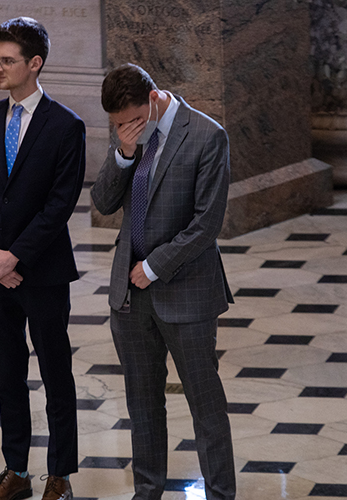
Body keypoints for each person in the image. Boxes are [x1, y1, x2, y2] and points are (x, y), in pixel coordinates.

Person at [91, 64, 236, 500]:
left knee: (205, 407)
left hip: (185, 294)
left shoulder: (207, 136)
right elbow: (102, 202)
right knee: (143, 406)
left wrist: (153, 266)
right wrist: (122, 153)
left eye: (128, 119)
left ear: (153, 101)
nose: (123, 128)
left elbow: (206, 224)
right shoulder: (127, 135)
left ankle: (220, 494)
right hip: (130, 298)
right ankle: (146, 492)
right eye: (116, 124)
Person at [0, 17, 85, 500]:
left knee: (56, 373)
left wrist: (17, 257)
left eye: (6, 60)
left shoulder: (65, 125)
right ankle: (16, 471)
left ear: (34, 64)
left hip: (43, 270)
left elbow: (60, 203)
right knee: (7, 374)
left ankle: (60, 474)